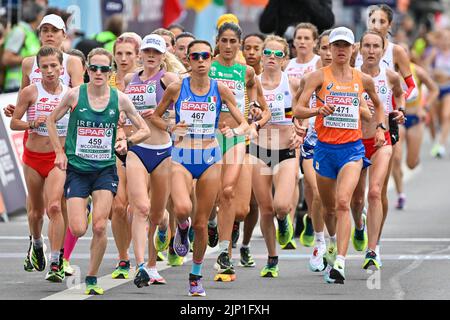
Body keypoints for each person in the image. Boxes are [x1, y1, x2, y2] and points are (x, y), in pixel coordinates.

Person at [151, 39, 250, 296]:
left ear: (211, 58)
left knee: (202, 223)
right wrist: (171, 127)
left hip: (209, 158)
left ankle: (195, 275)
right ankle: (180, 228)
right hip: (182, 156)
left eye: (206, 56)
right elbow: (155, 116)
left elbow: (244, 123)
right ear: (189, 61)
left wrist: (234, 130)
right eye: (195, 57)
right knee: (182, 208)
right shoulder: (176, 88)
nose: (201, 61)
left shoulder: (220, 89)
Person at [47, 48, 150, 295]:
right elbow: (51, 120)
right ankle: (87, 206)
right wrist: (59, 152)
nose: (98, 73)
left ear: (111, 72)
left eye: (104, 69)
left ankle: (92, 278)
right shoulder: (74, 95)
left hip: (105, 170)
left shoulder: (120, 99)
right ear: (87, 70)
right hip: (78, 170)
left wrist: (129, 142)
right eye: (94, 68)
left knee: (101, 227)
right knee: (79, 228)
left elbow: (144, 128)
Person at [294, 27, 386, 284]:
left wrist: (379, 127)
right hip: (324, 149)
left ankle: (341, 264)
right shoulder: (317, 77)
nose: (342, 50)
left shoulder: (362, 79)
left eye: (346, 45)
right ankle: (332, 243)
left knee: (344, 202)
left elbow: (378, 104)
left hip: (352, 150)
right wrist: (317, 110)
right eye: (337, 46)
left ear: (352, 49)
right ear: (330, 49)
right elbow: (298, 110)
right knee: (329, 208)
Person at [208, 22, 270, 282]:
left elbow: (263, 109)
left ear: (240, 45)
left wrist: (254, 118)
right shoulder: (206, 66)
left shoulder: (246, 72)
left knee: (241, 208)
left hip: (236, 139)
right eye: (225, 41)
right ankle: (224, 252)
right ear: (218, 42)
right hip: (209, 139)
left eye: (234, 42)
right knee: (222, 194)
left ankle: (220, 229)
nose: (229, 46)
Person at [122, 34, 179, 286]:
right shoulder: (128, 80)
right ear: (140, 54)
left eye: (156, 52)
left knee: (158, 214)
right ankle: (142, 266)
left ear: (163, 55)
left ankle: (160, 245)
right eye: (147, 52)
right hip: (136, 148)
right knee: (140, 208)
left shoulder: (169, 80)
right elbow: (120, 110)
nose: (151, 56)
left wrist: (161, 115)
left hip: (163, 150)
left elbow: (182, 114)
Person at [10, 46, 69, 282]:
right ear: (38, 69)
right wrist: (32, 124)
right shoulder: (29, 92)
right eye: (44, 67)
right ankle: (36, 244)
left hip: (57, 158)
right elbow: (14, 122)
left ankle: (56, 262)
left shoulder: (70, 94)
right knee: (35, 212)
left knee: (54, 206)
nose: (49, 71)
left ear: (61, 68)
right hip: (33, 158)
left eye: (54, 66)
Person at [351, 31, 405, 270]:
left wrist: (400, 109)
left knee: (374, 192)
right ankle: (359, 227)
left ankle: (373, 249)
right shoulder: (351, 75)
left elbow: (400, 93)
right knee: (356, 199)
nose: (371, 50)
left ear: (383, 50)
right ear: (360, 49)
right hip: (353, 140)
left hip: (382, 139)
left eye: (376, 46)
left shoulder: (390, 75)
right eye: (367, 46)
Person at [251, 35, 302, 277]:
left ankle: (285, 221)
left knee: (282, 205)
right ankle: (272, 259)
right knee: (266, 209)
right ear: (261, 56)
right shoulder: (253, 83)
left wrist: (300, 131)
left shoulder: (292, 83)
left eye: (278, 54)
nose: (272, 57)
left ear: (285, 60)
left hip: (285, 150)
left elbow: (302, 113)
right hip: (259, 151)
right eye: (268, 53)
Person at [296, 29, 332, 272]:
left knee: (340, 200)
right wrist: (305, 119)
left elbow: (368, 108)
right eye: (326, 47)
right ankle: (320, 242)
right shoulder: (310, 77)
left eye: (335, 47)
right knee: (317, 193)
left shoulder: (355, 77)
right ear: (318, 49)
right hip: (313, 141)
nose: (330, 53)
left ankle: (335, 243)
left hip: (344, 142)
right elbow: (297, 108)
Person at [108, 32, 143, 280]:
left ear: (138, 56)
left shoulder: (145, 81)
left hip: (142, 147)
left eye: (128, 53)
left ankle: (162, 230)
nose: (123, 58)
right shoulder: (105, 80)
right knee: (119, 206)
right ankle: (123, 258)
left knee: (139, 208)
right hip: (113, 148)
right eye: (119, 53)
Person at [285, 22, 322, 250]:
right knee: (292, 179)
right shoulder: (287, 65)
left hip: (314, 130)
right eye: (299, 38)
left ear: (315, 42)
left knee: (311, 184)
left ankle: (310, 218)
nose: (302, 42)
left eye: (307, 38)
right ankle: (288, 226)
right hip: (292, 127)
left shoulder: (319, 64)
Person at [392, 43, 438, 209]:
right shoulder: (389, 71)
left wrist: (425, 108)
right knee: (396, 158)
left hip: (414, 118)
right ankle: (400, 194)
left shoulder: (416, 71)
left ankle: (411, 160)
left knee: (411, 163)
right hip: (398, 119)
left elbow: (434, 89)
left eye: (405, 51)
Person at [239, 32, 266, 267]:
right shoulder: (234, 71)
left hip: (264, 141)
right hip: (235, 139)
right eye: (247, 47)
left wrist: (257, 121)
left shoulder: (269, 74)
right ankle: (230, 228)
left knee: (254, 201)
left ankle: (245, 245)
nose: (251, 52)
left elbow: (269, 110)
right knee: (234, 197)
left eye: (256, 48)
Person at [2, 2, 45, 92]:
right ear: (37, 16)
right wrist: (34, 57)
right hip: (15, 86)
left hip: (27, 85)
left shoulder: (31, 33)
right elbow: (6, 59)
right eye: (42, 16)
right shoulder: (20, 31)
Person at [427, 28, 450, 158]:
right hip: (435, 89)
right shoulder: (434, 53)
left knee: (447, 115)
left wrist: (446, 76)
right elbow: (425, 69)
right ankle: (436, 139)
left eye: (448, 38)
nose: (445, 41)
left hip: (448, 88)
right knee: (433, 119)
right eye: (443, 38)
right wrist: (433, 73)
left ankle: (440, 144)